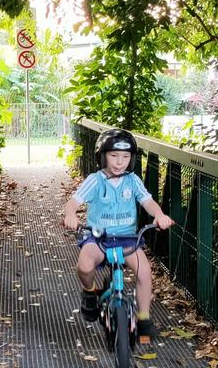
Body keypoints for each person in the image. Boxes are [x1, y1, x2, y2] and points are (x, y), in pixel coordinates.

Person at [63, 128, 174, 342]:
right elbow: (73, 202)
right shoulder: (96, 180)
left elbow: (147, 201)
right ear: (103, 156)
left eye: (125, 156)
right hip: (98, 237)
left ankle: (143, 318)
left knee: (144, 272)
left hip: (127, 238)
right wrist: (70, 215)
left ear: (131, 159)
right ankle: (90, 291)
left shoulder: (132, 181)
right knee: (84, 267)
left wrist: (159, 215)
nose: (119, 161)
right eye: (114, 155)